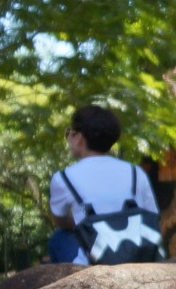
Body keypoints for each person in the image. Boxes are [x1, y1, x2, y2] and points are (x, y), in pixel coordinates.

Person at [48, 104, 158, 265]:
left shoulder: (63, 178)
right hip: (136, 255)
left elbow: (60, 220)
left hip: (93, 257)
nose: (69, 139)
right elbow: (151, 214)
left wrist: (83, 223)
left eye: (69, 133)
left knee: (58, 238)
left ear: (79, 137)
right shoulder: (136, 172)